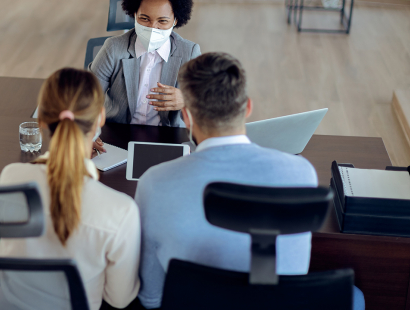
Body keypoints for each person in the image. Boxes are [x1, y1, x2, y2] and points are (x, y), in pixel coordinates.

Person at [134, 52, 365, 310]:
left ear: (186, 116)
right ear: (248, 107)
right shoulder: (301, 173)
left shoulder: (154, 183)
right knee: (355, 296)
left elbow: (151, 298)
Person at [0, 68, 141, 310]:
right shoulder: (122, 211)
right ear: (101, 118)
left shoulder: (10, 177)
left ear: (41, 119)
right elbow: (119, 298)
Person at [88, 0, 201, 131]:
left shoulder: (189, 53)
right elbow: (87, 96)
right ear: (134, 14)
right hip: (118, 133)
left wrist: (188, 99)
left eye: (162, 21)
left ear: (175, 20)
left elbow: (209, 102)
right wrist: (90, 133)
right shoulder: (113, 48)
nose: (153, 27)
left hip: (167, 137)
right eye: (144, 19)